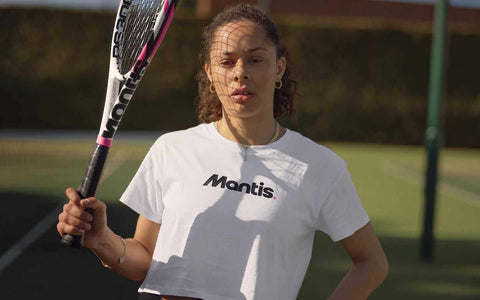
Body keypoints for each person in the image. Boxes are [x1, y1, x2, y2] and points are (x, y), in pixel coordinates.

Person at [57, 3, 388, 300]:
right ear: (211, 75)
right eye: (226, 62)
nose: (240, 72)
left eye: (256, 59)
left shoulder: (318, 166)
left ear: (279, 69)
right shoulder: (172, 149)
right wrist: (101, 239)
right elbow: (143, 258)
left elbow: (371, 262)